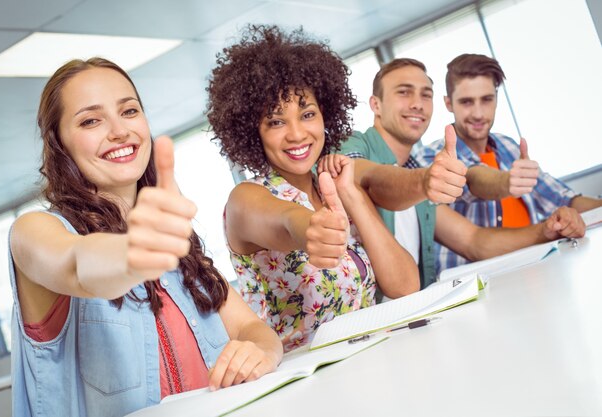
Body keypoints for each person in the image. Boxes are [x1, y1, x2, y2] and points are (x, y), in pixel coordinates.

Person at [8, 58, 282, 417]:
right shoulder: (33, 231)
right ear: (59, 143)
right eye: (91, 120)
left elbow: (251, 328)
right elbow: (77, 265)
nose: (120, 131)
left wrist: (258, 351)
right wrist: (134, 249)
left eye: (129, 111)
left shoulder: (176, 244)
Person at [206, 25, 419, 352]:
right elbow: (287, 220)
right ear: (253, 131)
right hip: (307, 383)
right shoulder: (247, 198)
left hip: (377, 360)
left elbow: (405, 287)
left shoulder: (334, 184)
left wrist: (352, 197)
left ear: (325, 117)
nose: (296, 134)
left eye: (307, 114)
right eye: (276, 122)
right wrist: (311, 229)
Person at [338, 57, 585, 282]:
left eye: (426, 95)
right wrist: (424, 181)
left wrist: (546, 230)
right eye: (404, 92)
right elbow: (364, 176)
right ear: (376, 105)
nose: (417, 104)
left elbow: (473, 241)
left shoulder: (416, 168)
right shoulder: (355, 144)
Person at [414, 53, 601, 270]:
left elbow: (564, 199)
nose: (478, 113)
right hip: (479, 287)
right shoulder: (429, 159)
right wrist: (506, 182)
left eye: (486, 99)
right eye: (466, 102)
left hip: (538, 272)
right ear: (448, 103)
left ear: (496, 99)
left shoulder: (509, 147)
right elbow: (472, 178)